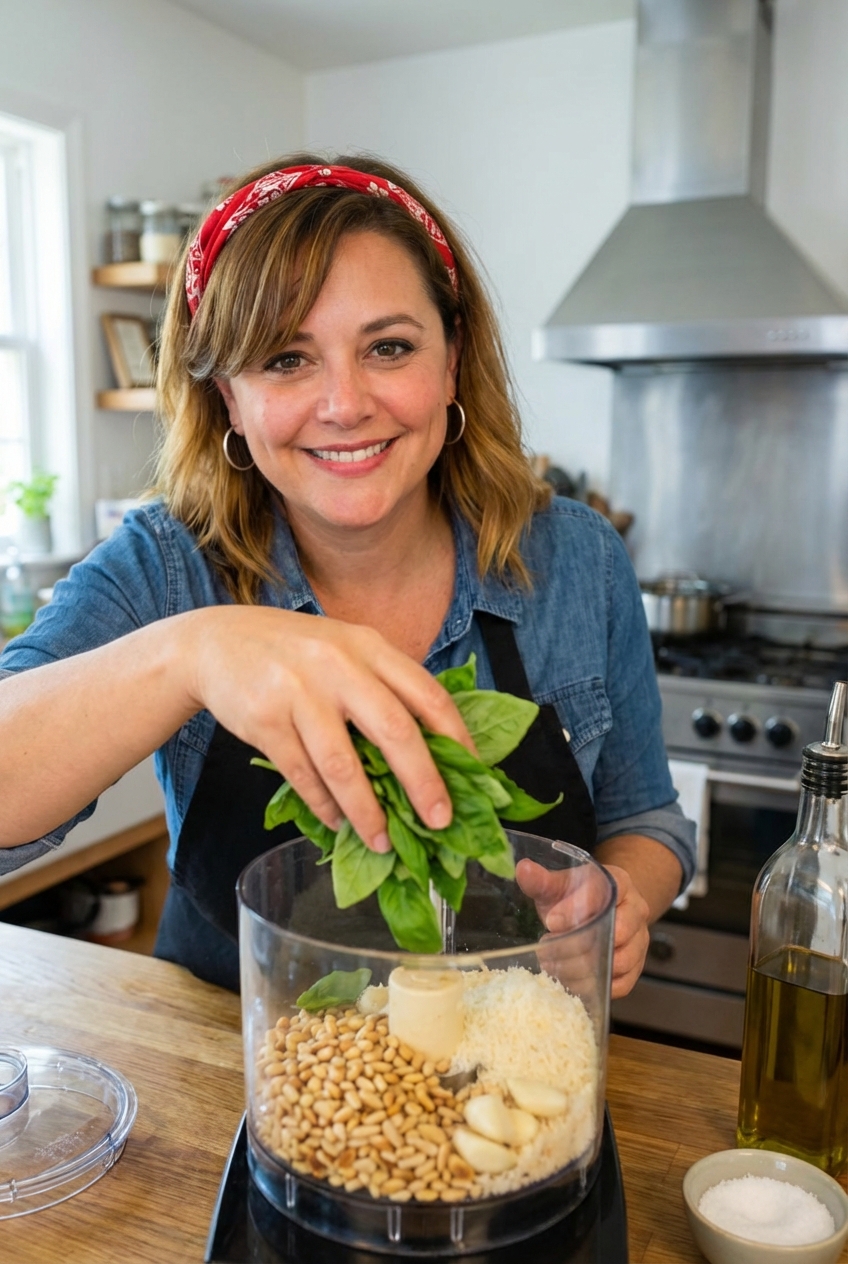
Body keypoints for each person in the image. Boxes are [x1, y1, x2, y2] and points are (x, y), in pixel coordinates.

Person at [0, 153, 695, 995]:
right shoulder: (166, 568)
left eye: (389, 348)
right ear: (229, 397)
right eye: (287, 360)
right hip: (236, 1079)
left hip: (514, 1084)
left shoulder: (577, 559)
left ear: (451, 360)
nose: (344, 404)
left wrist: (619, 896)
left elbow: (647, 819)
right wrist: (192, 653)